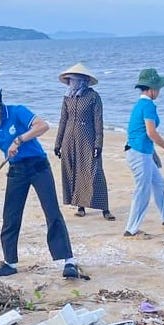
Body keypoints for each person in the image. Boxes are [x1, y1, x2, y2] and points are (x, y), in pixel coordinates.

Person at [0, 84, 81, 279]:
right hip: (16, 170)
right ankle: (10, 262)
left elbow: (43, 126)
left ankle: (68, 261)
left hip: (38, 166)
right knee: (10, 216)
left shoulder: (17, 112)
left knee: (52, 212)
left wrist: (19, 140)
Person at [123, 68, 164, 238]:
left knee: (159, 184)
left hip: (142, 151)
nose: (159, 91)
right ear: (151, 89)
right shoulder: (148, 105)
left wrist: (152, 154)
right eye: (158, 88)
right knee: (142, 191)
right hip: (138, 153)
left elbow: (138, 132)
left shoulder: (141, 105)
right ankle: (131, 230)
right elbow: (151, 132)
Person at [54, 62, 114, 221]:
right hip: (69, 139)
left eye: (73, 80)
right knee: (74, 171)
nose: (70, 83)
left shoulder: (93, 97)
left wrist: (98, 144)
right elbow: (63, 120)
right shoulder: (67, 97)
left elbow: (98, 122)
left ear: (82, 80)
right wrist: (57, 143)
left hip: (87, 138)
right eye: (69, 80)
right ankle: (80, 206)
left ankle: (105, 208)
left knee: (94, 172)